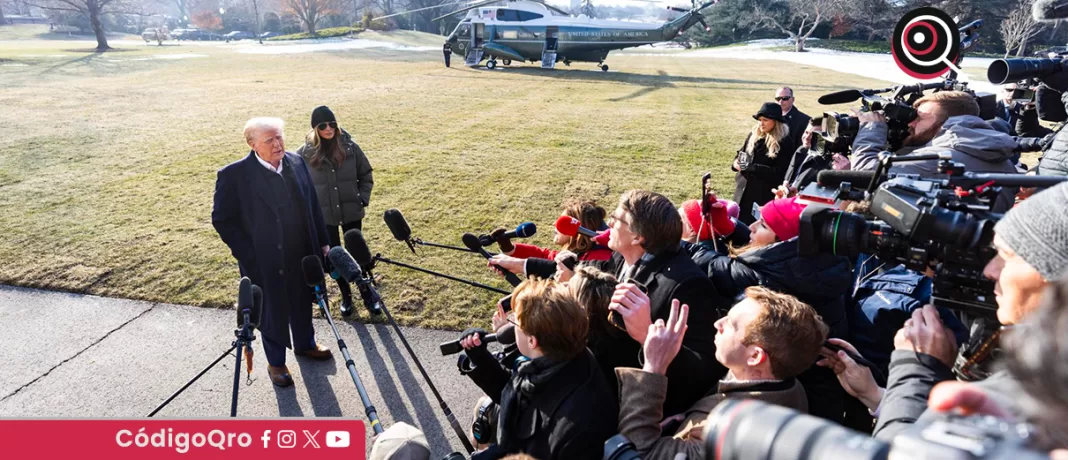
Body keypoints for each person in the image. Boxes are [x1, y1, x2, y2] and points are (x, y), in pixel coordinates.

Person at [867, 181, 1068, 440]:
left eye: (1006, 257)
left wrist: (916, 369)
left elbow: (902, 452)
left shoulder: (1043, 394)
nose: (989, 271)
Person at [684, 195, 852, 422]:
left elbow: (714, 265)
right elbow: (768, 251)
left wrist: (667, 236)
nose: (752, 226)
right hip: (813, 391)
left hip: (793, 409)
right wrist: (729, 226)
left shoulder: (767, 278)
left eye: (762, 224)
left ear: (784, 241)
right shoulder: (813, 261)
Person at [616, 287, 827, 460]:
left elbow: (638, 451)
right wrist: (688, 418)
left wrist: (654, 367)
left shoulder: (723, 439)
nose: (718, 324)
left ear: (754, 357)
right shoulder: (787, 382)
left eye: (732, 325)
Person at [211, 117, 333, 388]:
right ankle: (276, 363)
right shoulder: (233, 176)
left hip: (302, 254)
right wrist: (247, 253)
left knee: (303, 301)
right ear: (252, 144)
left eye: (279, 137)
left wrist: (323, 242)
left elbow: (312, 205)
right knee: (272, 311)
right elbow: (222, 220)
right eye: (270, 140)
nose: (278, 144)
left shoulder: (297, 162)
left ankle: (305, 344)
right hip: (263, 260)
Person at [595, 190, 728, 415]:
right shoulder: (623, 255)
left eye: (616, 219)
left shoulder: (688, 284)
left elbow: (704, 368)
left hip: (641, 405)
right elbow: (597, 273)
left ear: (638, 237)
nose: (609, 223)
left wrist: (647, 335)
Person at [457, 278, 618, 460]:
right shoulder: (565, 354)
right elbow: (517, 397)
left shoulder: (573, 427)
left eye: (515, 323)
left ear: (533, 341)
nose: (509, 326)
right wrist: (479, 356)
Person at [851, 91, 1020, 211]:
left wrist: (872, 127)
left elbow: (864, 175)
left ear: (948, 121)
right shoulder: (1003, 160)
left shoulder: (940, 158)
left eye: (920, 117)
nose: (911, 124)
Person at [296, 106, 376, 316]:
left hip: (351, 210)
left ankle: (367, 291)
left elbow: (366, 174)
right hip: (324, 216)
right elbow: (296, 184)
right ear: (315, 128)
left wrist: (361, 198)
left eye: (332, 124)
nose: (329, 128)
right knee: (333, 256)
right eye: (323, 125)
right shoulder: (304, 154)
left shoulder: (350, 147)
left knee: (358, 251)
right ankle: (346, 294)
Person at [487, 198, 611, 279]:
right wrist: (510, 249)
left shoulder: (599, 261)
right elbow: (545, 257)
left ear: (576, 230)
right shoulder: (579, 252)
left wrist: (519, 265)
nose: (554, 225)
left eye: (561, 223)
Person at [732, 103, 796, 225]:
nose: (761, 123)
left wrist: (753, 168)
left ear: (776, 121)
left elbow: (781, 173)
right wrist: (735, 163)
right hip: (741, 192)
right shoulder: (753, 135)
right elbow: (740, 153)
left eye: (765, 120)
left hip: (762, 195)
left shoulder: (785, 142)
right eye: (760, 120)